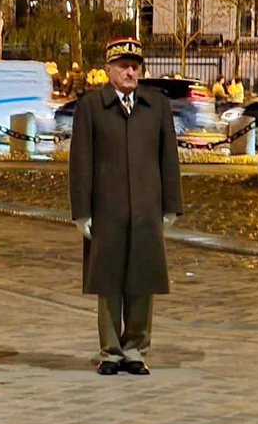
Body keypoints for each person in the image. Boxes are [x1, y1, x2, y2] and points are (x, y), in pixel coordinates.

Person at [69, 37, 183, 376]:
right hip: (107, 207)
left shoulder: (157, 105)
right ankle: (110, 351)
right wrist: (81, 211)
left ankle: (136, 348)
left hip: (147, 206)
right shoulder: (91, 106)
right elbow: (81, 161)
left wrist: (171, 205)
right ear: (108, 70)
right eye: (123, 66)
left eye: (135, 66)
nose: (130, 71)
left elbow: (168, 158)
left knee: (142, 279)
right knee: (108, 281)